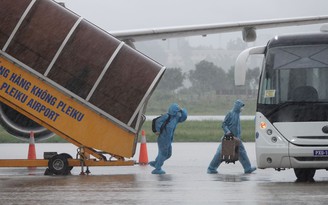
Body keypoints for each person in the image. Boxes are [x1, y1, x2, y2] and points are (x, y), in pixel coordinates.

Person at [207, 99, 256, 174]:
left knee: (242, 152)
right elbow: (223, 124)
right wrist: (228, 132)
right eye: (241, 106)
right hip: (229, 138)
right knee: (220, 152)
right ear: (237, 106)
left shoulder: (238, 115)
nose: (242, 108)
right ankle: (211, 168)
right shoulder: (230, 114)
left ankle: (247, 168)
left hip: (237, 139)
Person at [149, 103, 187, 174]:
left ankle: (156, 162)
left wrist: (182, 110)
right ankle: (157, 168)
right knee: (163, 153)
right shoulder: (166, 116)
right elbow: (157, 121)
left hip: (169, 139)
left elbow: (184, 118)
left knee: (169, 154)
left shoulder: (176, 118)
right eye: (177, 110)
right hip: (163, 138)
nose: (178, 112)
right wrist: (157, 131)